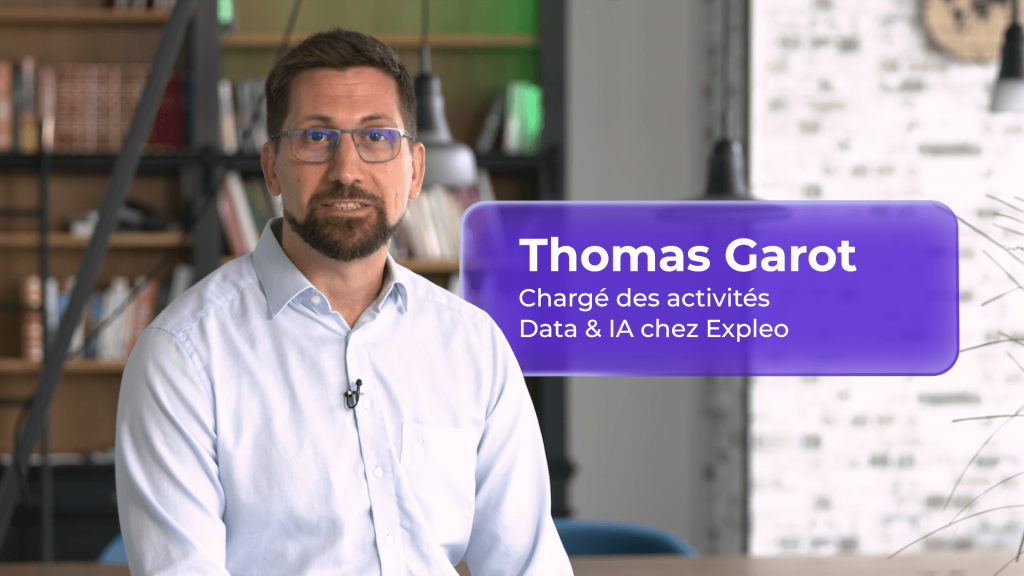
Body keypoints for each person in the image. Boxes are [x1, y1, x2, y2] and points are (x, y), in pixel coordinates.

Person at [115, 27, 572, 576]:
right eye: (316, 137)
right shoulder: (182, 356)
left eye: (377, 138)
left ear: (415, 169)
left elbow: (528, 565)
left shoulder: (473, 344)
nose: (347, 170)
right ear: (271, 168)